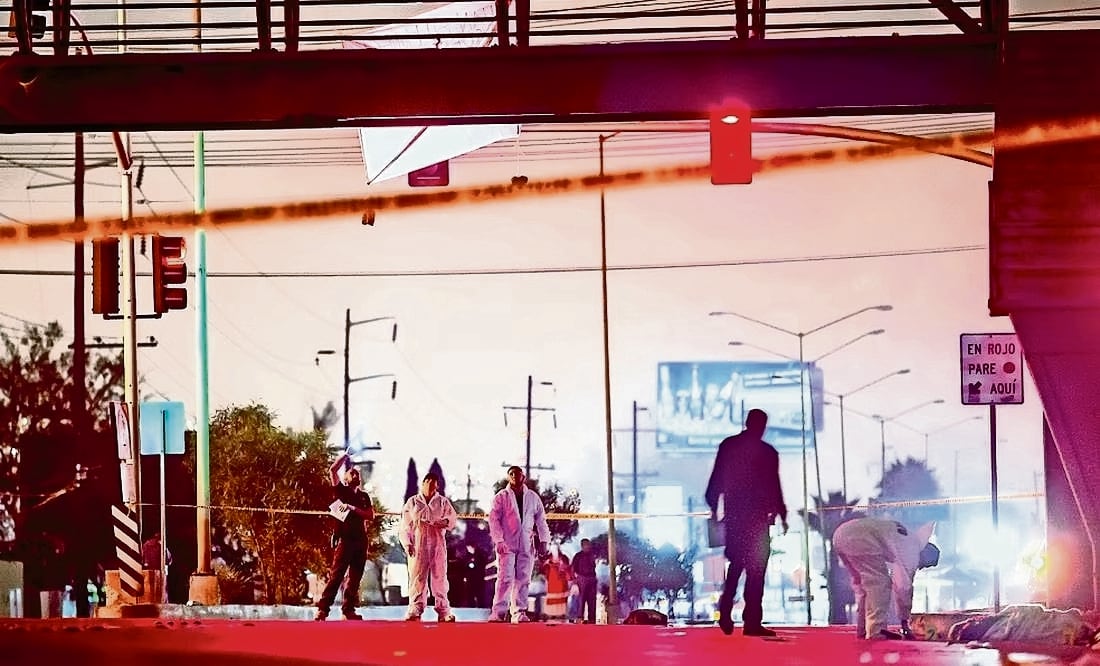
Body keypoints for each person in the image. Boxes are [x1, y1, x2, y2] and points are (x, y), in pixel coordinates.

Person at [705, 408, 788, 637]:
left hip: (735, 516)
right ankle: (751, 621)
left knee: (737, 563)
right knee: (756, 569)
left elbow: (717, 477)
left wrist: (713, 507)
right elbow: (774, 484)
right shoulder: (768, 452)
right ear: (762, 426)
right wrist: (781, 513)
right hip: (758, 519)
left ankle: (726, 606)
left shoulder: (729, 446)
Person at [832, 517, 940, 640]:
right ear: (925, 554)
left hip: (842, 534)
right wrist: (905, 622)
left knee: (863, 587)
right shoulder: (912, 549)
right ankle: (876, 631)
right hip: (860, 538)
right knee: (879, 583)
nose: (920, 567)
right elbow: (904, 587)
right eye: (926, 564)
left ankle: (863, 629)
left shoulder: (907, 539)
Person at [314, 452, 375, 621]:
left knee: (355, 577)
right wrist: (344, 456)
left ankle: (348, 610)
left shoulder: (363, 496)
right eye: (351, 473)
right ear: (346, 478)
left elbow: (370, 515)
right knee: (337, 575)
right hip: (345, 539)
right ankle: (323, 609)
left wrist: (352, 508)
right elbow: (332, 470)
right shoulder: (341, 490)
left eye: (357, 473)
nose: (355, 474)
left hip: (360, 540)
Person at [487, 465, 550, 623]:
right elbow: (493, 520)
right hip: (506, 544)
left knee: (523, 578)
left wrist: (544, 541)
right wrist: (499, 540)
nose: (515, 476)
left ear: (523, 477)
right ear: (509, 477)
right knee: (505, 578)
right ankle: (498, 612)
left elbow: (541, 521)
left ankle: (519, 612)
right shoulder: (501, 497)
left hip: (526, 544)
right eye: (511, 474)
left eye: (518, 474)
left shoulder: (533, 497)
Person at [400, 472, 458, 622]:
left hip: (437, 544)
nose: (431, 484)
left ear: (437, 485)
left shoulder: (443, 502)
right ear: (423, 482)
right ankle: (415, 608)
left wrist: (443, 522)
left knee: (440, 577)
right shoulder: (413, 502)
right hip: (418, 545)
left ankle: (443, 610)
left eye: (434, 482)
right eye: (428, 481)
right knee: (417, 578)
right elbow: (405, 526)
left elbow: (452, 519)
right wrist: (407, 544)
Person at [570, 537, 598, 624]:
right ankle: (579, 618)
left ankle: (592, 619)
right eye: (586, 545)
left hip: (592, 579)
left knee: (592, 600)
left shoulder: (592, 555)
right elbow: (573, 569)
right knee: (581, 600)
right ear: (582, 546)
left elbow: (594, 567)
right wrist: (574, 581)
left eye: (589, 544)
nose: (588, 546)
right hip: (582, 579)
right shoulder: (578, 556)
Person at [140, 532, 171, 603]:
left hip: (150, 570)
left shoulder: (146, 545)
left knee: (151, 590)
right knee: (162, 590)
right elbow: (169, 559)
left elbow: (143, 558)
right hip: (159, 570)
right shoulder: (160, 545)